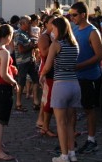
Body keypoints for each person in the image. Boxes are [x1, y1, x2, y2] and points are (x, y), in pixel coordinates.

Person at [40, 15, 80, 162]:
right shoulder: (74, 44)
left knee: (61, 123)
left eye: (54, 28)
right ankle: (72, 153)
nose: (52, 31)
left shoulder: (56, 44)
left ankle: (64, 155)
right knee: (70, 122)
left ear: (59, 29)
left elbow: (47, 66)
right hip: (74, 84)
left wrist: (42, 75)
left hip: (61, 84)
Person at [70, 2, 102, 155]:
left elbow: (99, 56)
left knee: (89, 109)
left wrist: (80, 65)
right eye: (70, 15)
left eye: (74, 15)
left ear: (83, 15)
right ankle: (71, 140)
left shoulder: (93, 32)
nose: (72, 18)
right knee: (72, 109)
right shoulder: (74, 29)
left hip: (89, 76)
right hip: (75, 76)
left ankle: (91, 140)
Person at [0, 24, 19, 161]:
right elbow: (3, 74)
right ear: (7, 36)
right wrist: (14, 82)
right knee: (0, 120)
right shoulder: (4, 52)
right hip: (2, 88)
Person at [37, 14, 57, 137]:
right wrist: (55, 43)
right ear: (46, 25)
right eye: (52, 22)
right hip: (48, 70)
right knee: (47, 99)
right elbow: (44, 53)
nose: (55, 25)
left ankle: (43, 122)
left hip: (56, 71)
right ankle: (44, 125)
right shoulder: (44, 37)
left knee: (48, 98)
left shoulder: (56, 36)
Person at [14, 16, 40, 112]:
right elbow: (21, 50)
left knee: (36, 80)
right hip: (23, 62)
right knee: (21, 83)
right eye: (28, 23)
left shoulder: (26, 33)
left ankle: (36, 102)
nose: (30, 24)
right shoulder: (19, 34)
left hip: (30, 61)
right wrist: (32, 46)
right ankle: (18, 103)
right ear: (22, 24)